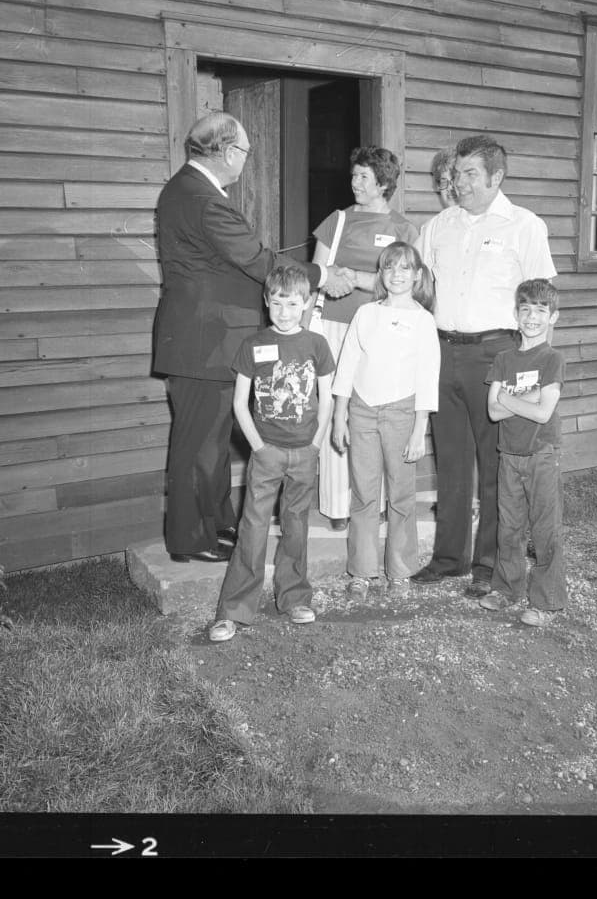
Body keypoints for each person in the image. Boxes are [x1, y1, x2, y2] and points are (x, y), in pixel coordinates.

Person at [153, 112, 350, 564]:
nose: (245, 160)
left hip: (206, 341)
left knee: (213, 443)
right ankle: (189, 540)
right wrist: (321, 275)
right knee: (198, 446)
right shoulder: (205, 199)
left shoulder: (188, 190)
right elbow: (258, 262)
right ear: (226, 152)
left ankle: (214, 523)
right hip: (204, 344)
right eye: (243, 151)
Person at [412, 135, 557, 599]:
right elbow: (414, 285)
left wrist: (539, 371)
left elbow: (543, 300)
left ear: (496, 177)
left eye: (470, 173)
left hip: (498, 354)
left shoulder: (525, 226)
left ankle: (489, 562)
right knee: (451, 461)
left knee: (496, 463)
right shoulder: (439, 225)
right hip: (443, 350)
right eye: (457, 173)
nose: (460, 182)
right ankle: (449, 558)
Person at [208, 265, 336, 642]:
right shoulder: (252, 344)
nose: (284, 311)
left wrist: (315, 443)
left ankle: (295, 596)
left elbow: (326, 398)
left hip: (304, 452)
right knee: (252, 527)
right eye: (277, 303)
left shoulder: (316, 345)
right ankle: (233, 610)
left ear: (307, 303)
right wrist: (258, 447)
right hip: (267, 454)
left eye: (292, 303)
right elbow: (239, 402)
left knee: (296, 526)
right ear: (266, 303)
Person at [311, 147, 418, 532]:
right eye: (354, 176)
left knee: (377, 408)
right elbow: (317, 274)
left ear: (384, 184)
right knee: (336, 406)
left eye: (364, 178)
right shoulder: (337, 221)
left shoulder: (405, 230)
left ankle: (380, 501)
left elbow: (403, 282)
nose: (355, 184)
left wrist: (355, 277)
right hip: (337, 326)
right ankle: (339, 505)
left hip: (381, 331)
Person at [331, 242, 440, 600]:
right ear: (381, 274)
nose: (397, 274)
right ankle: (362, 571)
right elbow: (347, 367)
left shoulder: (424, 320)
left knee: (401, 495)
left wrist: (419, 429)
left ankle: (400, 571)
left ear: (417, 275)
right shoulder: (366, 313)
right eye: (390, 268)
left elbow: (427, 377)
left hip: (401, 414)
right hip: (362, 410)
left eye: (405, 268)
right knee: (363, 494)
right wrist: (339, 417)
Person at [479, 279, 567, 627]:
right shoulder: (503, 359)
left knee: (545, 529)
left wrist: (509, 399)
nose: (533, 317)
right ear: (516, 315)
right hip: (509, 455)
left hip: (542, 455)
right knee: (509, 527)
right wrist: (529, 399)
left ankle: (546, 601)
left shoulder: (552, 358)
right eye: (526, 309)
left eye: (541, 311)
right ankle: (507, 589)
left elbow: (544, 413)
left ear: (553, 318)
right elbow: (493, 412)